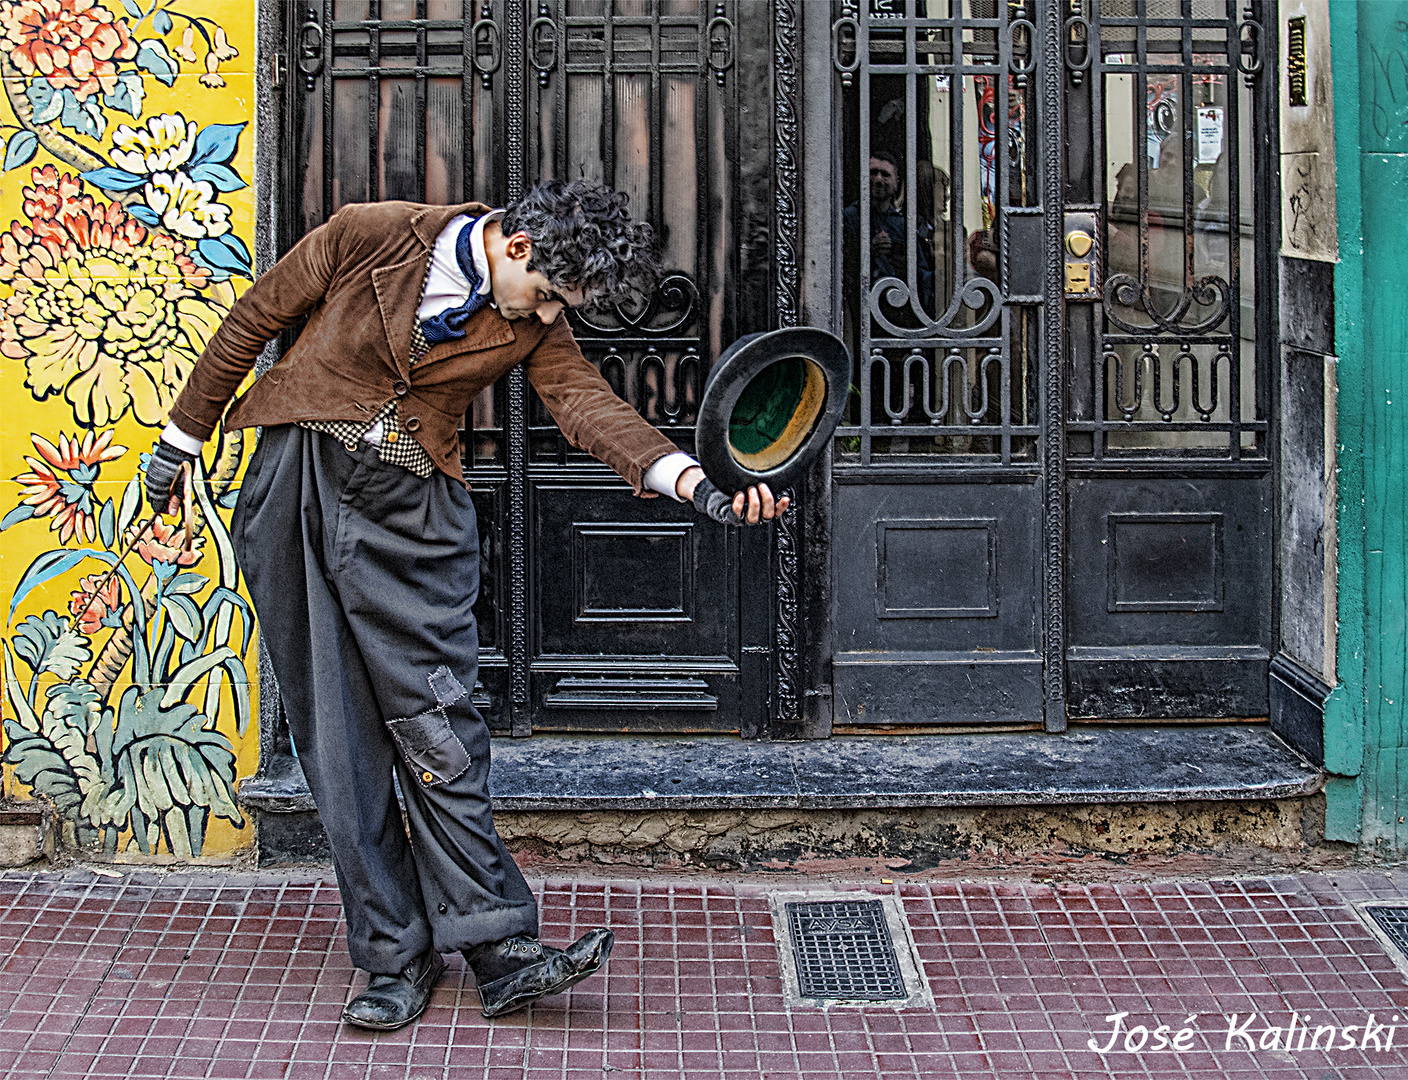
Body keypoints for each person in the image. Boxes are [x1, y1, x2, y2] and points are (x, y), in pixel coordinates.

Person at [144, 180, 786, 1029]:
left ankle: (500, 947)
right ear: (516, 247)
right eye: (549, 297)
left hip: (414, 516)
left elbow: (587, 405)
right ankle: (394, 958)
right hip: (296, 486)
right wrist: (180, 441)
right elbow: (252, 322)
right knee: (337, 738)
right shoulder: (369, 235)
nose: (550, 318)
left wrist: (693, 483)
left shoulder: (533, 322)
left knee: (438, 725)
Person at [842, 149, 936, 316]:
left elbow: (923, 275)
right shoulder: (848, 217)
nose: (878, 179)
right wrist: (869, 253)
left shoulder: (902, 225)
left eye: (885, 174)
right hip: (859, 308)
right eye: (873, 173)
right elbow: (840, 269)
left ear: (896, 183)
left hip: (898, 312)